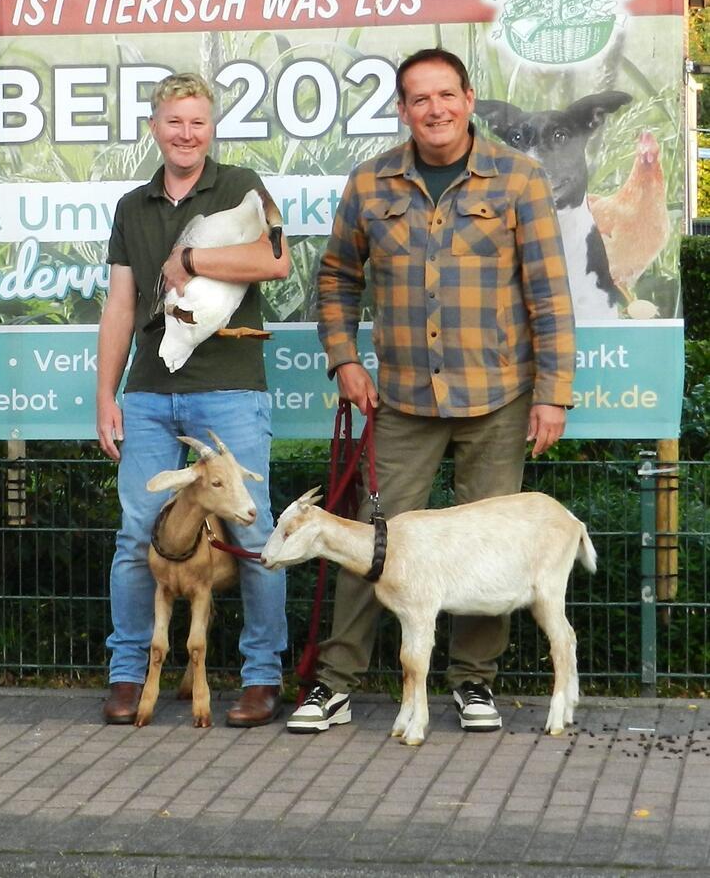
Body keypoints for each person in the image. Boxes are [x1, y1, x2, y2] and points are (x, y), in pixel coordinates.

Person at [290, 47, 577, 735]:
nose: (435, 109)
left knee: (487, 544)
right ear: (402, 109)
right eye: (419, 98)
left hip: (499, 396)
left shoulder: (520, 178)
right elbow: (336, 279)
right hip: (402, 401)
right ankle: (336, 683)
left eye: (446, 94)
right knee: (370, 541)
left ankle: (473, 683)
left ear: (469, 99)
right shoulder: (370, 182)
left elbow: (548, 292)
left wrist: (553, 392)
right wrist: (344, 359)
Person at [96, 72, 292, 728]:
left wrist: (194, 260)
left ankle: (262, 677)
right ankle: (129, 673)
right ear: (154, 126)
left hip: (230, 387)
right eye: (175, 122)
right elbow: (120, 305)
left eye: (198, 122)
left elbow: (276, 261)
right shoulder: (132, 206)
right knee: (137, 535)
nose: (187, 134)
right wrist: (107, 394)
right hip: (150, 393)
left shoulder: (242, 186)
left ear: (212, 129)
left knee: (254, 533)